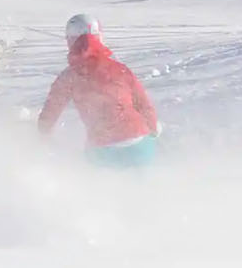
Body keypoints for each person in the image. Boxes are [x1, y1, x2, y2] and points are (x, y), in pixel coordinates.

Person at [38, 15, 160, 167]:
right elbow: (144, 104)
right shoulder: (120, 69)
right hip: (138, 142)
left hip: (102, 148)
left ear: (70, 41)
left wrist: (41, 136)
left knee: (102, 186)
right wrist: (153, 132)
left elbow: (51, 110)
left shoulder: (69, 76)